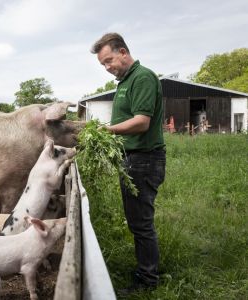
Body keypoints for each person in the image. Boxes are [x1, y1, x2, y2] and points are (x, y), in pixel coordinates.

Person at [90, 33, 166, 294]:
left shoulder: (143, 77)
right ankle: (147, 269)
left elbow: (141, 121)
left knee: (141, 222)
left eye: (109, 60)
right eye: (103, 64)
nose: (107, 67)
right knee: (137, 220)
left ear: (123, 52)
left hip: (144, 159)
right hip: (133, 158)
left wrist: (105, 131)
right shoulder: (124, 81)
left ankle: (147, 280)